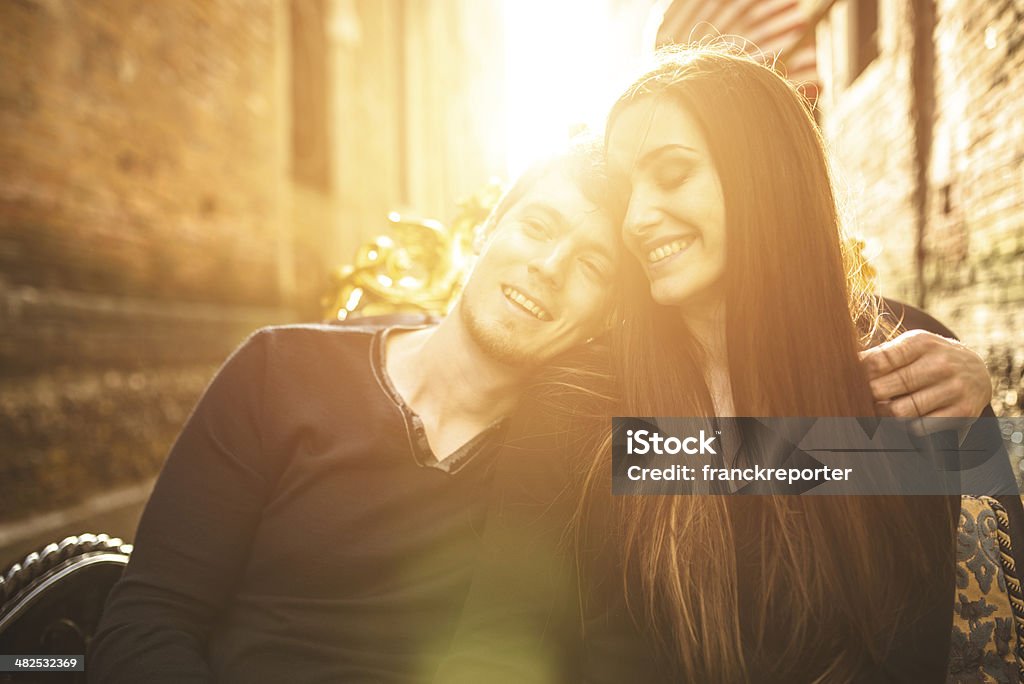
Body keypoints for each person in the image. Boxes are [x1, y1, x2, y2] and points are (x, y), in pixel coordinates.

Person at [89, 139, 992, 682]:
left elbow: (773, 440)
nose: (550, 269)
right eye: (536, 229)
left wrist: (965, 395)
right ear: (489, 231)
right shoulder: (281, 372)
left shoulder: (587, 440)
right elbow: (147, 620)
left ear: (611, 312)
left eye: (596, 266)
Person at [438, 45, 1011, 684]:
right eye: (627, 189)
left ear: (763, 174)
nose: (636, 218)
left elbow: (957, 635)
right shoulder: (580, 401)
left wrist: (980, 416)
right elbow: (500, 636)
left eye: (673, 174)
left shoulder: (909, 359)